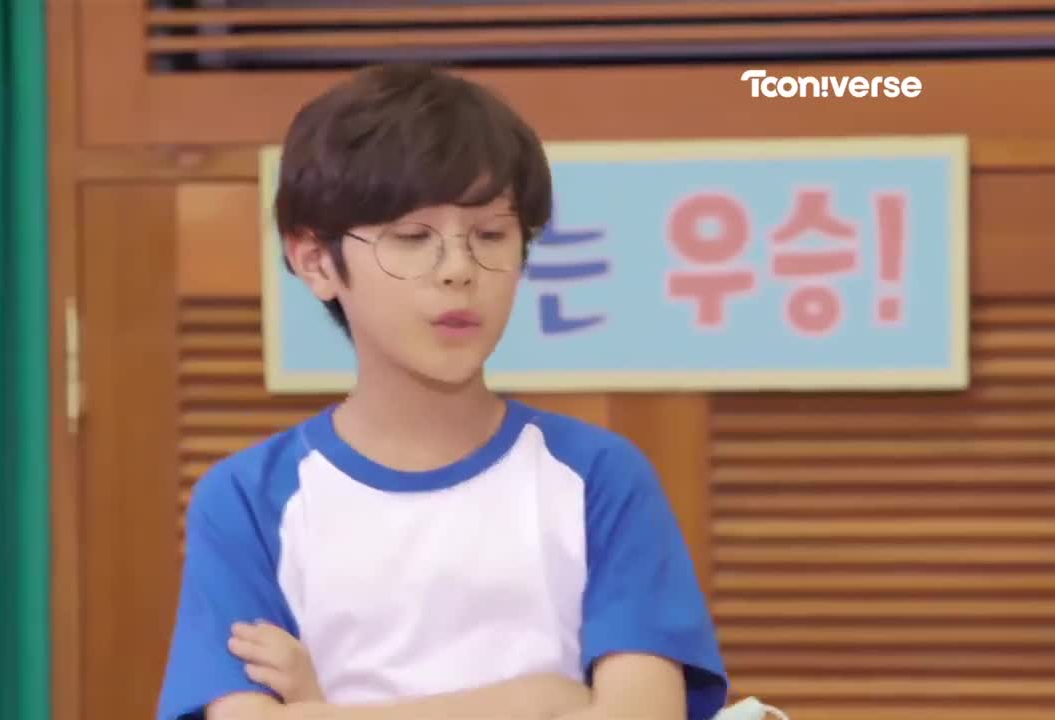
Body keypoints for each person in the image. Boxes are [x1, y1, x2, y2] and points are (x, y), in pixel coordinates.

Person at [157, 62, 729, 720]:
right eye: (412, 238)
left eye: (491, 235)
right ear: (315, 260)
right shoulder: (247, 499)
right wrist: (539, 701)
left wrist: (320, 713)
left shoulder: (599, 477)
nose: (459, 270)